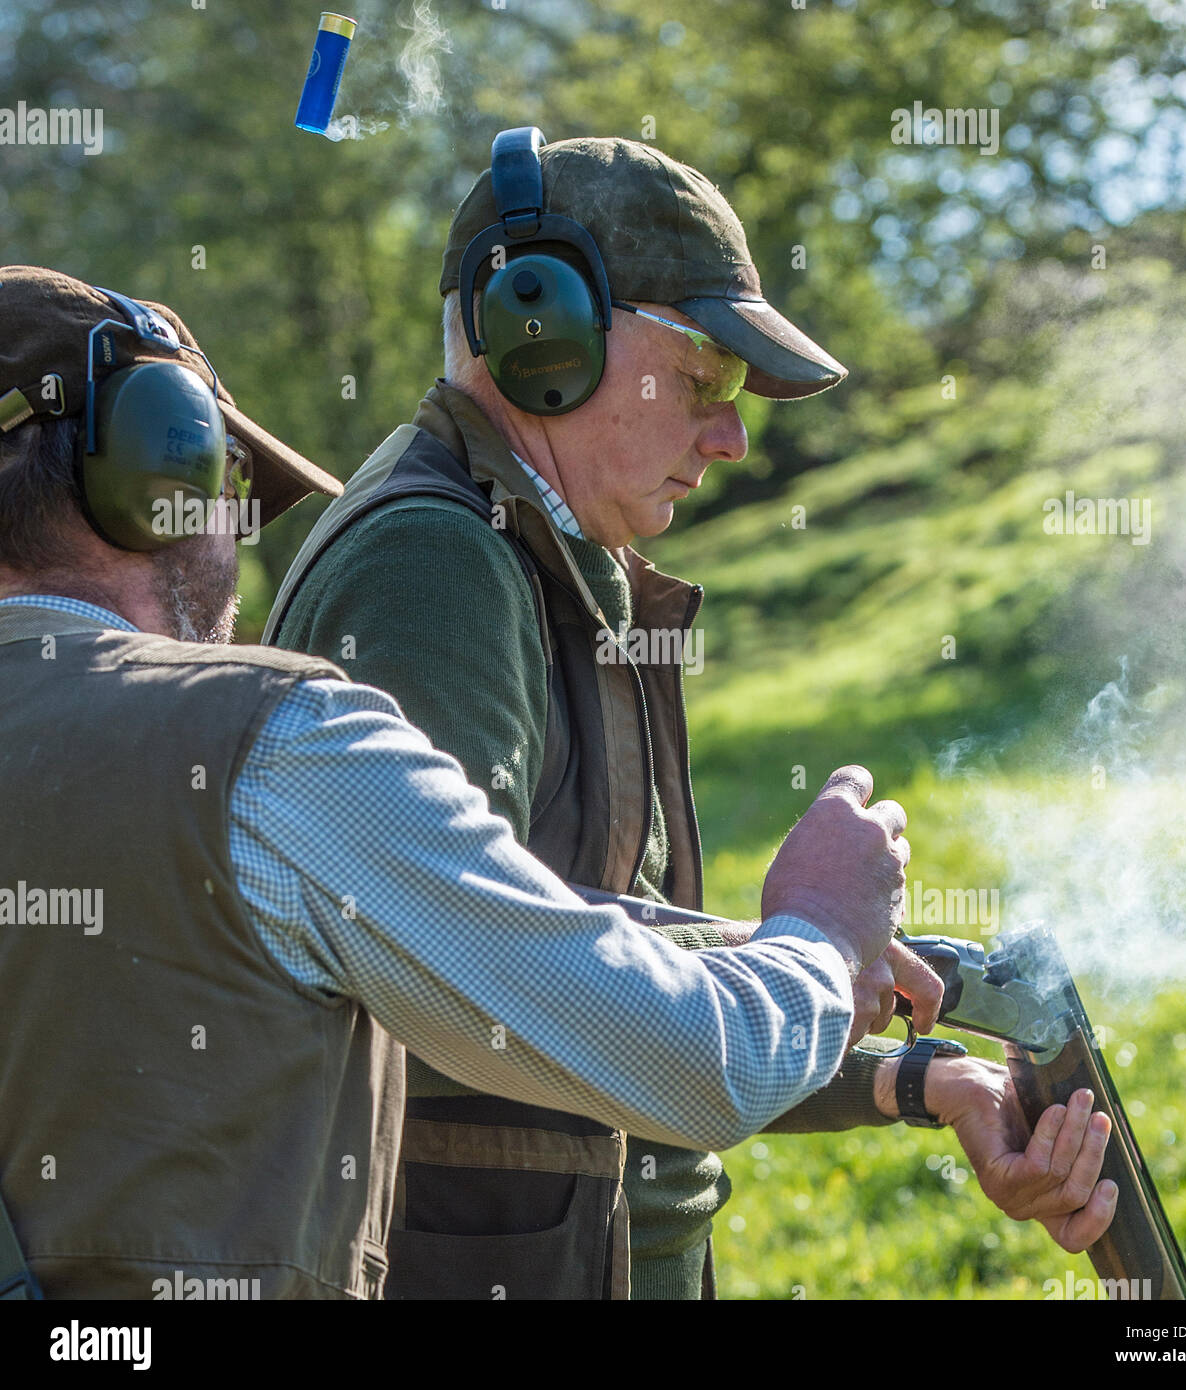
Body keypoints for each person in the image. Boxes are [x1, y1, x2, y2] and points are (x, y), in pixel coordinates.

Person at [265, 132, 1119, 1300]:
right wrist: (807, 939)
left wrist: (904, 1073)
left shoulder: (530, 552)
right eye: (704, 379)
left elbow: (587, 969)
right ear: (540, 334)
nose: (730, 437)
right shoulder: (436, 567)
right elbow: (477, 980)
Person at [0, 265, 950, 1300]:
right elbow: (694, 1061)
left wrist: (851, 1032)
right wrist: (817, 930)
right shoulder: (271, 741)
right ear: (156, 476)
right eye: (230, 488)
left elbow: (482, 923)